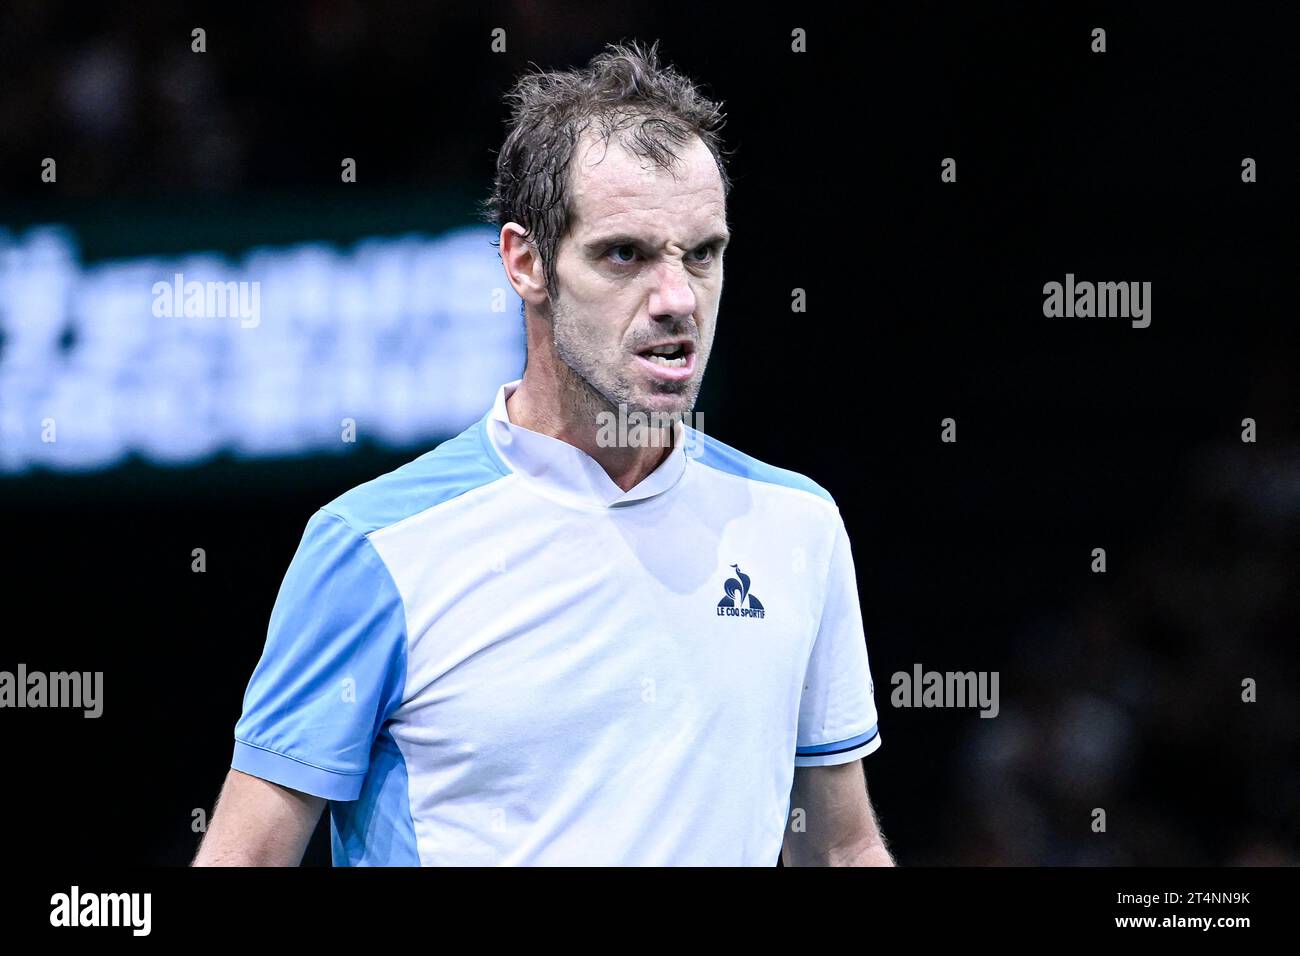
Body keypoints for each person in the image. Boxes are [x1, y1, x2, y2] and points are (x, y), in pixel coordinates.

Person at [193, 39, 891, 866]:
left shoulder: (797, 527)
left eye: (702, 254)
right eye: (624, 254)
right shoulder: (372, 549)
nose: (677, 300)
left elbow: (841, 851)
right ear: (525, 262)